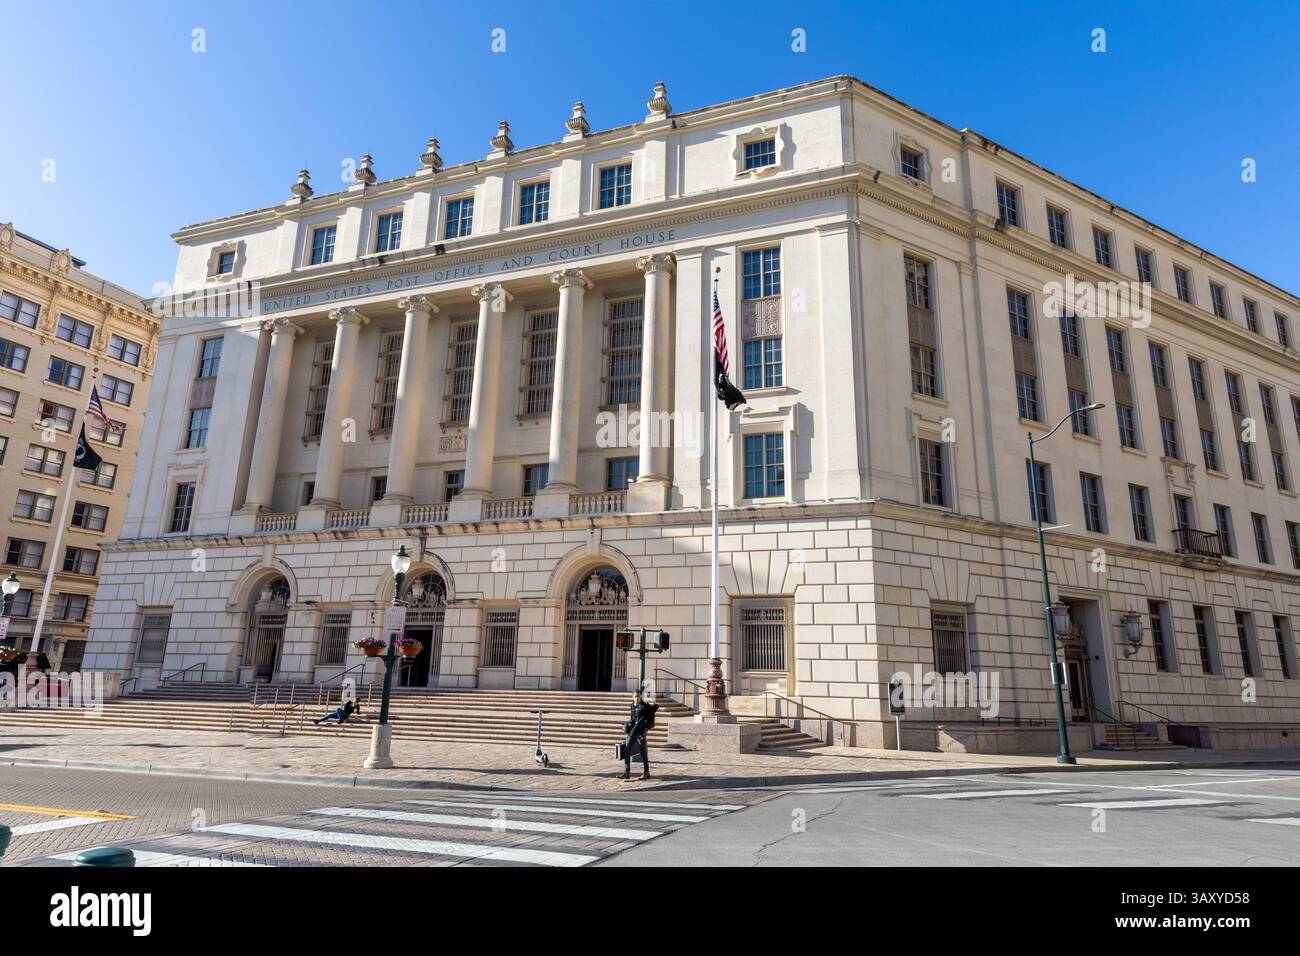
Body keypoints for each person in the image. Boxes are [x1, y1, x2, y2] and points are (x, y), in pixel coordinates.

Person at [620, 689, 656, 780]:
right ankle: (627, 772)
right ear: (633, 697)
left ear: (641, 697)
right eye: (635, 696)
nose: (637, 698)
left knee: (643, 753)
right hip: (632, 732)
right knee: (626, 749)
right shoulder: (632, 706)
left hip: (641, 733)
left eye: (638, 696)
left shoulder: (643, 706)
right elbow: (632, 719)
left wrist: (646, 729)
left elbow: (650, 721)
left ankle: (646, 773)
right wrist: (627, 726)